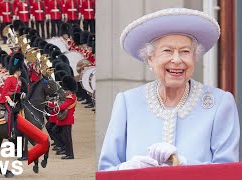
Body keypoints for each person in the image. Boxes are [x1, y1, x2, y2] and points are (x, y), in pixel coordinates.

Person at [98, 8, 240, 171]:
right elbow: (105, 170)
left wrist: (185, 166)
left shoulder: (220, 103)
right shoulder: (127, 102)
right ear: (150, 58)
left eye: (185, 52)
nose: (177, 60)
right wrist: (126, 169)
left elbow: (228, 171)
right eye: (167, 51)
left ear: (194, 57)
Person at [48, 75, 78, 160]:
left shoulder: (71, 98)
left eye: (66, 90)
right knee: (54, 131)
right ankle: (63, 147)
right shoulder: (68, 96)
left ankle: (70, 154)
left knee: (67, 138)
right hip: (62, 120)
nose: (65, 92)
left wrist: (51, 105)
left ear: (70, 90)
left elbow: (62, 107)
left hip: (67, 120)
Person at [0, 52, 24, 139]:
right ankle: (11, 131)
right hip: (6, 100)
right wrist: (10, 102)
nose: (21, 71)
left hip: (16, 100)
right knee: (11, 113)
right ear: (16, 70)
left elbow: (18, 92)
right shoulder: (9, 79)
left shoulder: (19, 80)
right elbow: (5, 92)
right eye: (19, 70)